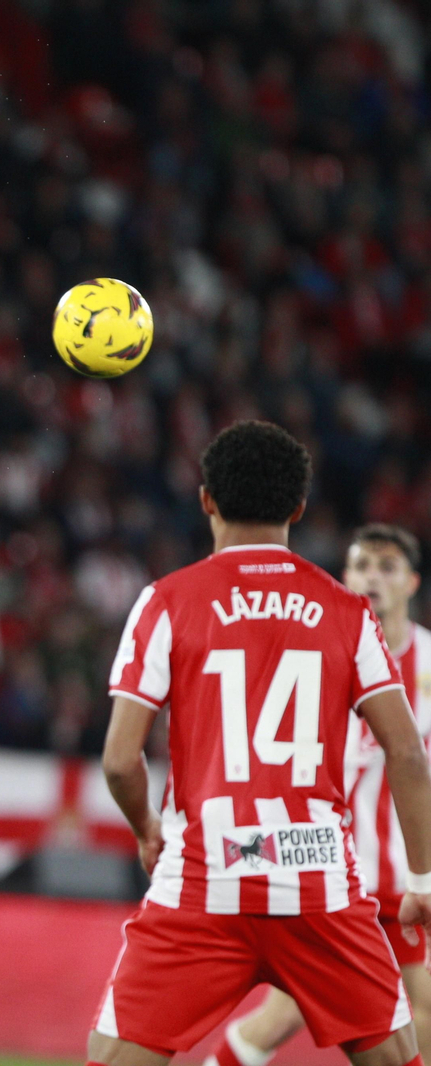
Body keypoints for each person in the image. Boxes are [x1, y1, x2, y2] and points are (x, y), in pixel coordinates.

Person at [89, 421, 431, 1066]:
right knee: (398, 1059)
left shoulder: (166, 602)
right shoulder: (348, 612)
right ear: (298, 509)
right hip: (319, 889)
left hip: (202, 883)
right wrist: (422, 878)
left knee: (111, 1061)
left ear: (206, 500)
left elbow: (118, 759)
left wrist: (145, 829)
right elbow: (408, 754)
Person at [206, 524, 431, 1066]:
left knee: (386, 1009)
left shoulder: (426, 664)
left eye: (386, 566)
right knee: (316, 1012)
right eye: (361, 566)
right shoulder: (317, 655)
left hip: (399, 875)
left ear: (411, 583)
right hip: (325, 867)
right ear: (346, 577)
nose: (372, 577)